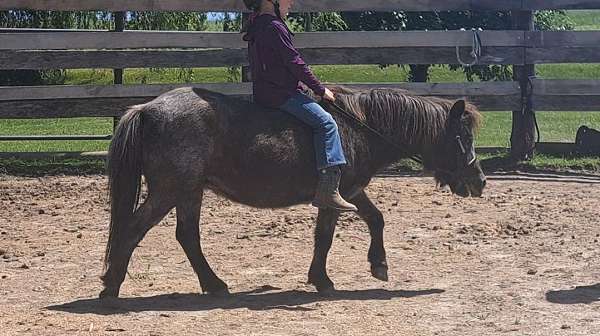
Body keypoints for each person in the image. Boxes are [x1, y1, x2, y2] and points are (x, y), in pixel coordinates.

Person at [242, 0, 357, 212]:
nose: (291, 2)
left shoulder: (257, 24)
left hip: (266, 92)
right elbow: (295, 63)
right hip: (281, 94)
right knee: (326, 124)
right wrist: (321, 89)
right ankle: (328, 190)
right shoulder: (274, 27)